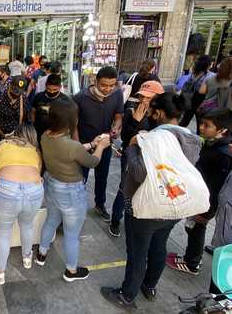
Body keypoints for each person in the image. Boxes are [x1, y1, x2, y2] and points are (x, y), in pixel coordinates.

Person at [101, 92, 201, 310]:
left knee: (137, 252)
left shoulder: (153, 139)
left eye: (152, 111)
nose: (150, 114)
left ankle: (127, 295)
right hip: (174, 205)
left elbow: (138, 173)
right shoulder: (191, 138)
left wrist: (134, 146)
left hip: (147, 208)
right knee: (159, 245)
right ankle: (150, 285)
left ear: (160, 113)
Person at [35, 99, 111, 281]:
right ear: (71, 121)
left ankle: (41, 254)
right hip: (71, 192)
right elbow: (93, 162)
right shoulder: (72, 146)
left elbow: (72, 151)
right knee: (71, 234)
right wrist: (100, 147)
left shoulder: (45, 135)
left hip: (52, 184)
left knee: (51, 220)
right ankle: (71, 271)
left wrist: (92, 144)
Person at [166, 108, 232, 275]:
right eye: (201, 123)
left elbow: (218, 187)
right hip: (199, 195)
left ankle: (192, 263)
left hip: (206, 202)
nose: (201, 128)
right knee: (192, 227)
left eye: (206, 125)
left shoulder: (223, 154)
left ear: (222, 130)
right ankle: (192, 256)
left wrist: (206, 212)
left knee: (196, 227)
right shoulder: (213, 144)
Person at [0, 124, 43, 285]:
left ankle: (0, 272)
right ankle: (27, 259)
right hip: (34, 189)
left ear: (14, 133)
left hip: (7, 189)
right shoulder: (34, 149)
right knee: (27, 225)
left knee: (3, 233)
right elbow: (37, 172)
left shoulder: (0, 145)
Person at [109, 81, 164, 237]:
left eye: (148, 97)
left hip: (150, 158)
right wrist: (135, 121)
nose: (143, 101)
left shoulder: (159, 115)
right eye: (141, 96)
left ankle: (137, 217)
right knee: (125, 186)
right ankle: (115, 220)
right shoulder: (131, 112)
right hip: (131, 155)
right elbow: (125, 138)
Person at [74, 66, 123, 221]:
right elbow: (73, 124)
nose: (108, 89)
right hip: (84, 144)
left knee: (102, 176)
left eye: (111, 85)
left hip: (105, 143)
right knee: (80, 178)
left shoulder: (116, 94)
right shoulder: (80, 97)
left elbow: (118, 115)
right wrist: (76, 145)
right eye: (103, 85)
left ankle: (99, 205)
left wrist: (116, 127)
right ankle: (75, 208)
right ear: (95, 82)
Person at [0, 75, 28, 146]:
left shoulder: (23, 98)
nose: (16, 93)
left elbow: (25, 119)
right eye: (14, 90)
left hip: (16, 137)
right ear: (9, 85)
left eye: (19, 92)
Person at [31, 74, 72, 141]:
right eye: (49, 89)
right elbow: (33, 111)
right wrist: (33, 125)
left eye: (55, 89)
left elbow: (68, 122)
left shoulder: (65, 101)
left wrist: (58, 133)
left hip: (55, 137)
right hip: (37, 134)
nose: (52, 92)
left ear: (60, 87)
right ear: (46, 85)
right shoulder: (38, 97)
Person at [179, 55, 214, 129]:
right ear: (207, 65)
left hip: (190, 98)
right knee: (200, 123)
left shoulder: (194, 73)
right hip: (200, 101)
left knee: (185, 120)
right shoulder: (209, 75)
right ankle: (199, 137)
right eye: (211, 63)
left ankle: (175, 133)